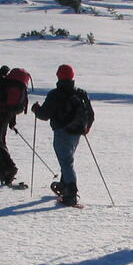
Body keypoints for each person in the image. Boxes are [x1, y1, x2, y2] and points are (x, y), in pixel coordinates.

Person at [31, 64, 93, 206]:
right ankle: (65, 185)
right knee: (67, 160)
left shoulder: (55, 94)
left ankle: (71, 193)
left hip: (62, 131)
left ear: (58, 76)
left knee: (66, 162)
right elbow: (91, 114)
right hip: (77, 132)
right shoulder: (81, 93)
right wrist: (86, 127)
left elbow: (44, 115)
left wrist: (36, 109)